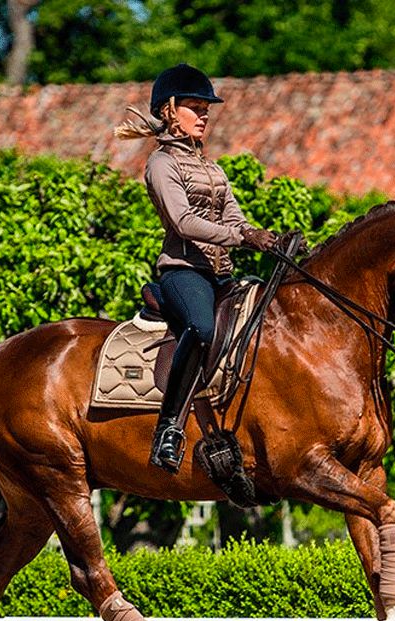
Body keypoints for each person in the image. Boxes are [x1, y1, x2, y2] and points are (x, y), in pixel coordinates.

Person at [114, 63, 277, 474]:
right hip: (184, 272)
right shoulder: (161, 163)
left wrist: (267, 237)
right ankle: (168, 429)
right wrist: (242, 238)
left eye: (206, 109)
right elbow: (183, 222)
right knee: (202, 328)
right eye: (194, 107)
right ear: (169, 110)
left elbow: (236, 219)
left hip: (222, 272)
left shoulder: (213, 168)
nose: (204, 115)